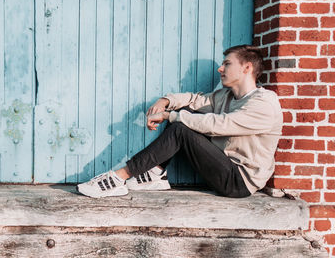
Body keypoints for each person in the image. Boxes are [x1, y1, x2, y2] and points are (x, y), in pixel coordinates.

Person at [77, 45, 283, 198]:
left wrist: (169, 116)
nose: (220, 69)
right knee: (184, 111)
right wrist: (165, 102)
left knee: (181, 127)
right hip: (222, 166)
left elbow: (219, 124)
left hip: (239, 181)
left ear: (247, 68)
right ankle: (155, 174)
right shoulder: (225, 96)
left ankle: (119, 177)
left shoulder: (264, 104)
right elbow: (195, 100)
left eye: (227, 64)